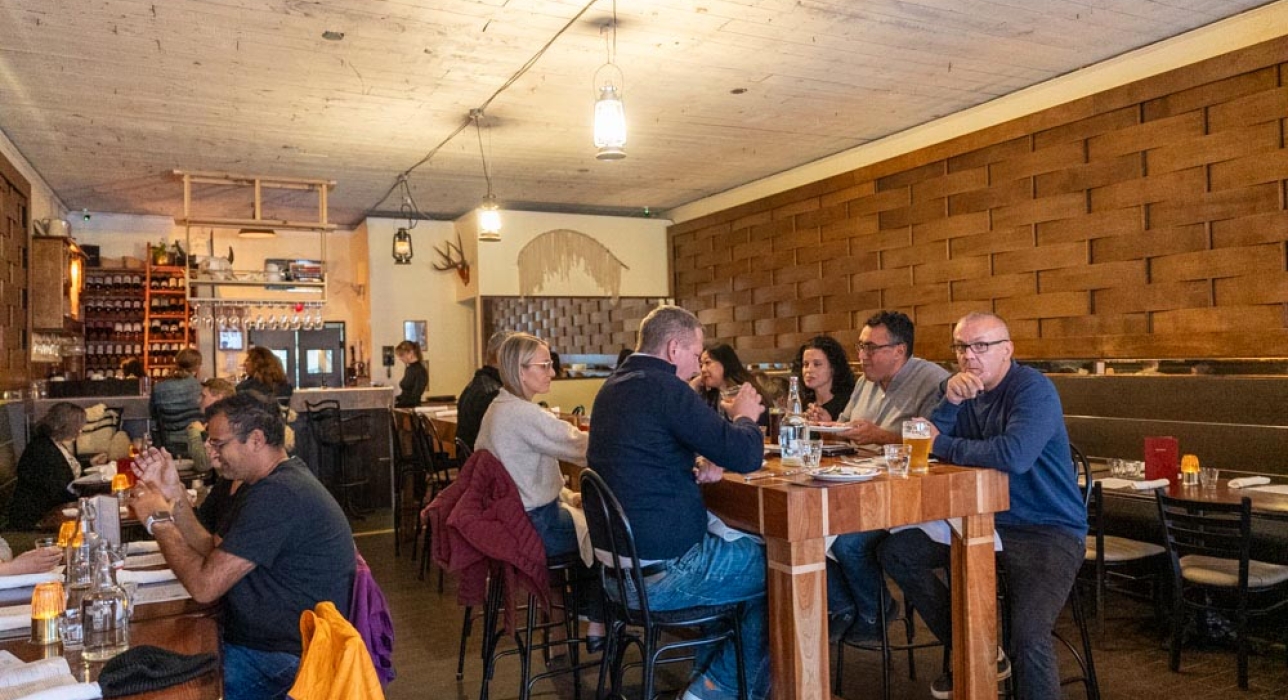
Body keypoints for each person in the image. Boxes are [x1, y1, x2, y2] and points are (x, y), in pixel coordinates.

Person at [878, 312, 1085, 700]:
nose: (969, 356)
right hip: (982, 524)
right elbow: (919, 441)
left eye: (980, 346)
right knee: (898, 552)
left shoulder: (1032, 389)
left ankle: (999, 654)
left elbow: (1014, 455)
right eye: (961, 347)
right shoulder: (961, 392)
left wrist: (942, 444)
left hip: (1048, 528)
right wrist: (951, 402)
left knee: (1027, 634)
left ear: (1007, 350)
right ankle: (978, 649)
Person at [588, 305, 769, 700]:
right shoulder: (666, 388)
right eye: (695, 352)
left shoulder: (612, 387)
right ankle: (717, 689)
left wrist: (689, 467)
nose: (697, 363)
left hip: (618, 575)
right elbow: (745, 455)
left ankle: (707, 682)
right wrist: (744, 417)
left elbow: (644, 457)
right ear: (674, 348)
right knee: (782, 572)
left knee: (740, 573)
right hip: (665, 575)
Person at [132, 393, 355, 700]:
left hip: (284, 658)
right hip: (262, 642)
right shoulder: (268, 482)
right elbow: (211, 549)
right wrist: (175, 496)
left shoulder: (280, 493)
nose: (211, 454)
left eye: (218, 444)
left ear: (256, 439)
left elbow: (204, 586)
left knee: (168, 691)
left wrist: (158, 521)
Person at [822, 311, 949, 644]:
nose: (862, 356)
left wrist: (881, 436)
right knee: (807, 530)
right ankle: (844, 607)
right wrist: (828, 426)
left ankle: (875, 610)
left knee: (848, 543)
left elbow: (937, 445)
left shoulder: (933, 381)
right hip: (862, 486)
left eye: (871, 348)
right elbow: (847, 424)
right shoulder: (866, 381)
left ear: (899, 350)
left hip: (909, 497)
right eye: (861, 346)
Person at [474, 333, 604, 644]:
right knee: (606, 533)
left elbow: (522, 475)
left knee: (588, 521)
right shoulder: (525, 414)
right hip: (534, 527)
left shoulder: (498, 408)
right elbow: (586, 448)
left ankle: (582, 613)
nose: (553, 372)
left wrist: (566, 495)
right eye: (545, 365)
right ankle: (594, 617)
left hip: (507, 525)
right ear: (521, 370)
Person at [6, 402, 104, 530]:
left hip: (49, 510)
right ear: (66, 427)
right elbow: (58, 489)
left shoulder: (52, 443)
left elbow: (64, 472)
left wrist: (90, 464)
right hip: (38, 519)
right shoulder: (42, 450)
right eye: (77, 428)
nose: (80, 432)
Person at [456, 331, 510, 450]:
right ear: (500, 355)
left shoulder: (476, 383)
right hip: (483, 464)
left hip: (470, 462)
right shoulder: (493, 394)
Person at [690, 344, 770, 421]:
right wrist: (692, 387)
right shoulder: (711, 395)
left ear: (725, 363)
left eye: (708, 363)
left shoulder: (745, 393)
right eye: (701, 365)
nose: (703, 369)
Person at [150, 347, 204, 456]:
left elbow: (153, 414)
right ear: (197, 366)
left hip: (168, 445)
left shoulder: (158, 387)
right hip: (195, 443)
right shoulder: (200, 388)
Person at [794, 335, 856, 422]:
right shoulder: (802, 402)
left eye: (817, 364)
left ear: (833, 368)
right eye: (805, 364)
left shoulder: (848, 403)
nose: (809, 370)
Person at [393, 341, 428, 408]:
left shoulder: (420, 371)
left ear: (411, 353)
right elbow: (405, 394)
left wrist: (397, 404)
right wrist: (394, 399)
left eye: (401, 355)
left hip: (412, 409)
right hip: (405, 408)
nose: (400, 358)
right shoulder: (409, 369)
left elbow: (414, 397)